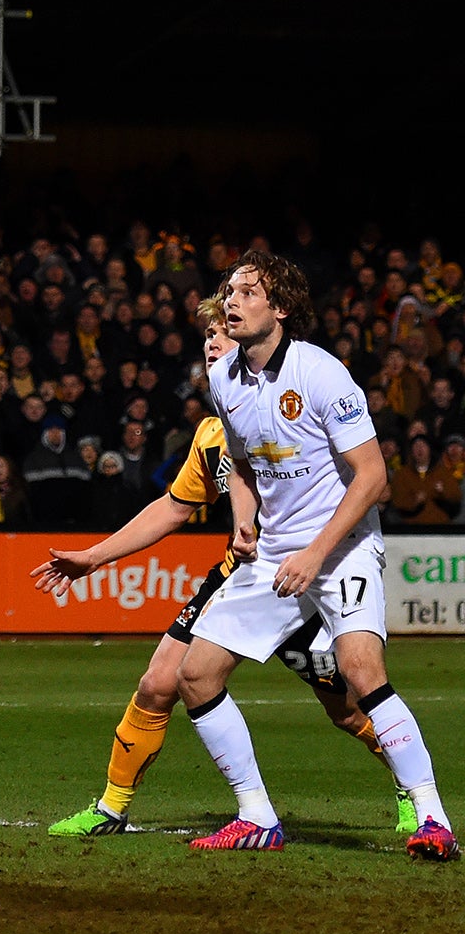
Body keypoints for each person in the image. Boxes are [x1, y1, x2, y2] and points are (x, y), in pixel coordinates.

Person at [39, 294, 416, 840]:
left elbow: (363, 472)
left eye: (221, 333)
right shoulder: (214, 434)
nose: (213, 344)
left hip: (308, 578)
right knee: (158, 683)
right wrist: (94, 557)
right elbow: (173, 508)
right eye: (207, 338)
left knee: (347, 708)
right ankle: (112, 808)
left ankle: (411, 790)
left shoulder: (300, 396)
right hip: (241, 580)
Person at [178, 252, 452, 858]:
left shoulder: (322, 374)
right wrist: (244, 521)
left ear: (279, 308)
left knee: (360, 672)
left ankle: (433, 818)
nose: (232, 301)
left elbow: (374, 477)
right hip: (273, 552)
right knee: (194, 676)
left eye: (248, 292)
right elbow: (245, 462)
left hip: (344, 546)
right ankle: (255, 817)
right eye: (229, 291)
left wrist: (315, 554)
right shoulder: (224, 379)